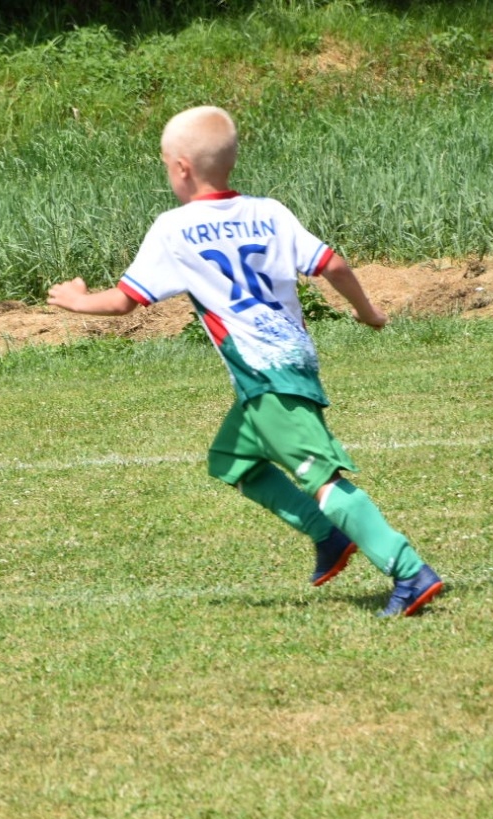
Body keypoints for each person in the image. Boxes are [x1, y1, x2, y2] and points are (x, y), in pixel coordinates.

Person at [48, 105, 443, 617]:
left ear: (182, 167)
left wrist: (78, 299)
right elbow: (332, 263)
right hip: (288, 362)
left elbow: (125, 300)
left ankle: (409, 571)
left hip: (266, 375)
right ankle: (327, 535)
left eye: (166, 163)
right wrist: (367, 312)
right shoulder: (270, 211)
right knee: (231, 459)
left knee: (323, 478)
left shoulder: (174, 228)